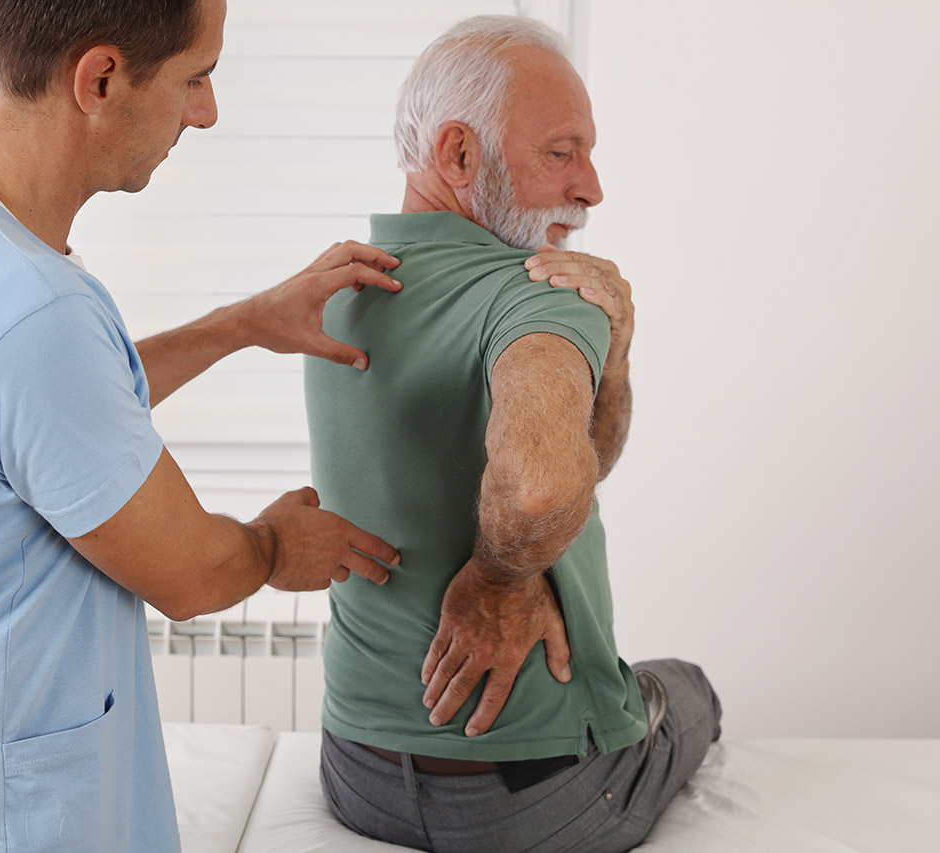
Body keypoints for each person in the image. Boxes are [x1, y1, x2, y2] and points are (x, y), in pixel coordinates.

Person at [0, 0, 407, 849]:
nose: (208, 111)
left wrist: (241, 324)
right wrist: (272, 545)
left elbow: (40, 425)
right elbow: (190, 572)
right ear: (102, 77)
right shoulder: (29, 309)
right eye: (197, 77)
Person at [306, 16, 722, 852]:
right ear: (459, 156)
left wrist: (618, 347)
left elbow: (573, 461)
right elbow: (545, 482)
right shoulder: (542, 292)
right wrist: (499, 575)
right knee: (693, 688)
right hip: (528, 799)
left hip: (356, 771)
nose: (592, 186)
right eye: (562, 152)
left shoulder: (332, 291)